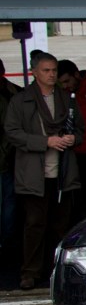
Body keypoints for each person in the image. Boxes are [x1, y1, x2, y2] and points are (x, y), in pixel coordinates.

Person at [4, 52, 84, 290]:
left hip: (62, 173)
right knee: (34, 224)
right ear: (35, 72)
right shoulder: (21, 100)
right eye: (47, 70)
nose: (52, 75)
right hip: (33, 174)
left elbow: (80, 129)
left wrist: (72, 138)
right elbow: (12, 132)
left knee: (60, 226)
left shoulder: (66, 98)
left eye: (54, 70)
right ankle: (29, 272)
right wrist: (45, 142)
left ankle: (56, 270)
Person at [57, 59, 86, 219]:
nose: (65, 86)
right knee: (77, 197)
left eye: (66, 81)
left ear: (76, 75)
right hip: (73, 153)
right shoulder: (63, 93)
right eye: (61, 83)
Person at [0, 58, 23, 252]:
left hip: (7, 161)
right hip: (7, 160)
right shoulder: (13, 92)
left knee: (9, 205)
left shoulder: (12, 94)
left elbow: (10, 131)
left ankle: (7, 243)